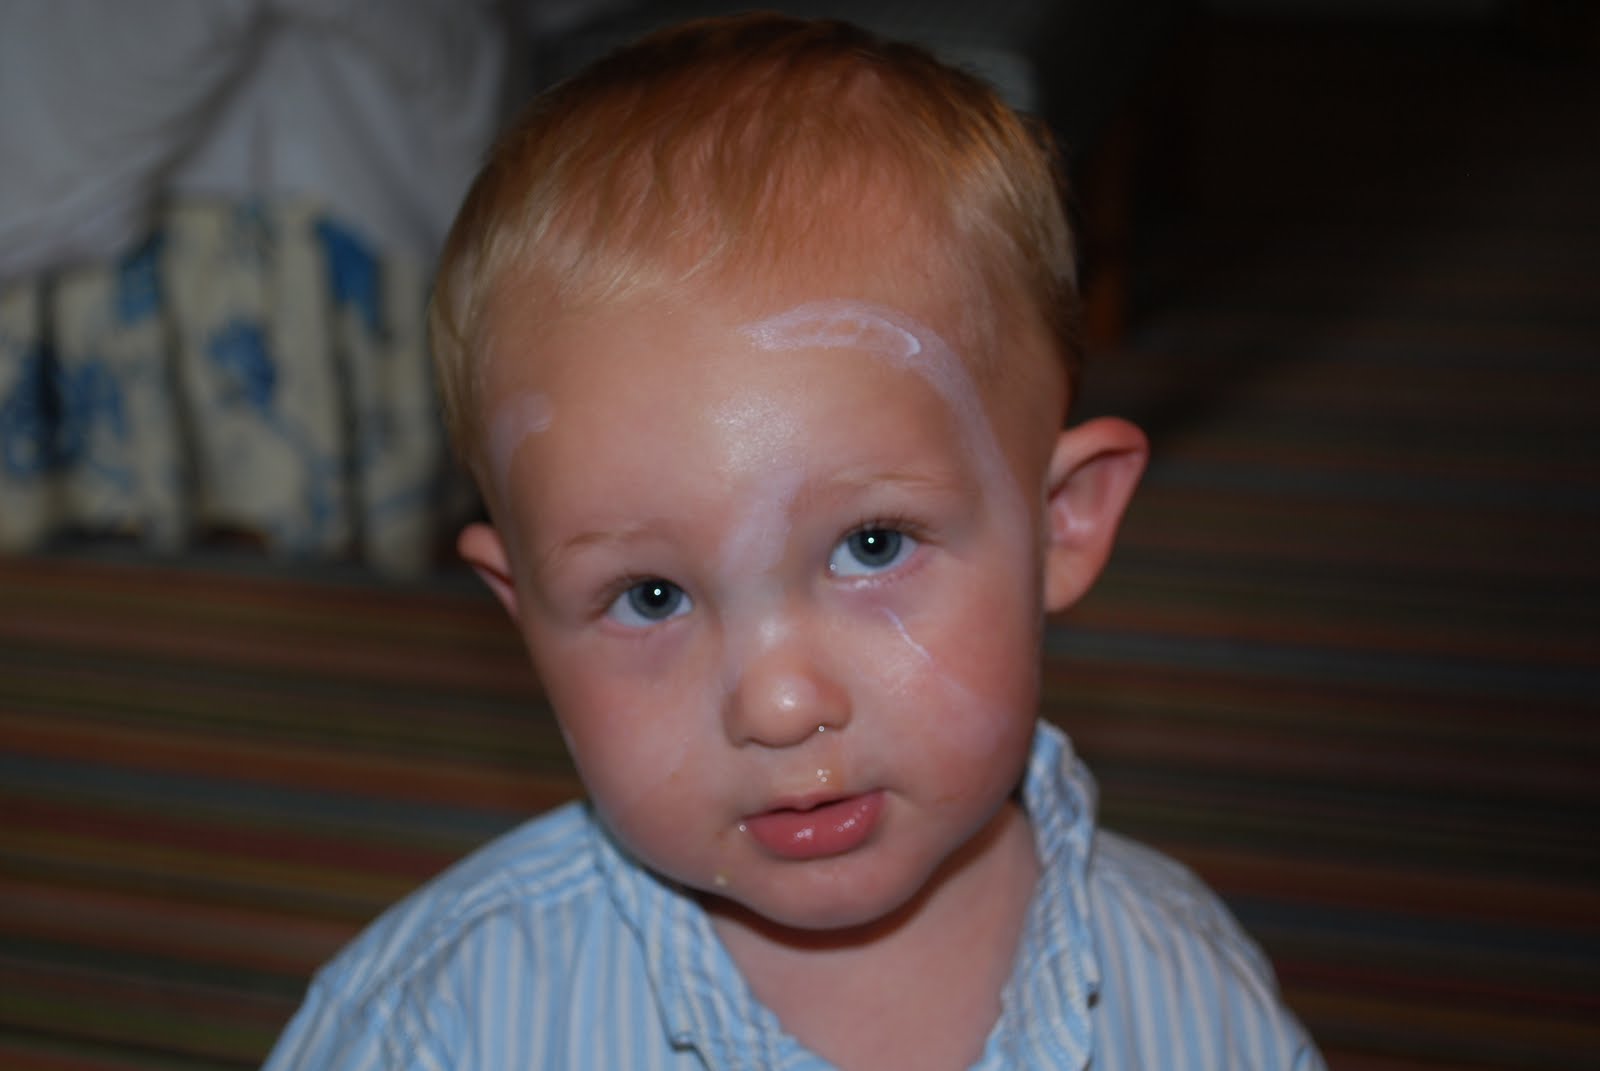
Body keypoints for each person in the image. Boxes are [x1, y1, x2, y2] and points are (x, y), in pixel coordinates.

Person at [265, 14, 1326, 1069]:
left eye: (872, 545)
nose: (778, 705)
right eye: (650, 595)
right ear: (523, 611)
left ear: (1062, 520)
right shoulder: (432, 1028)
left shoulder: (1186, 983)